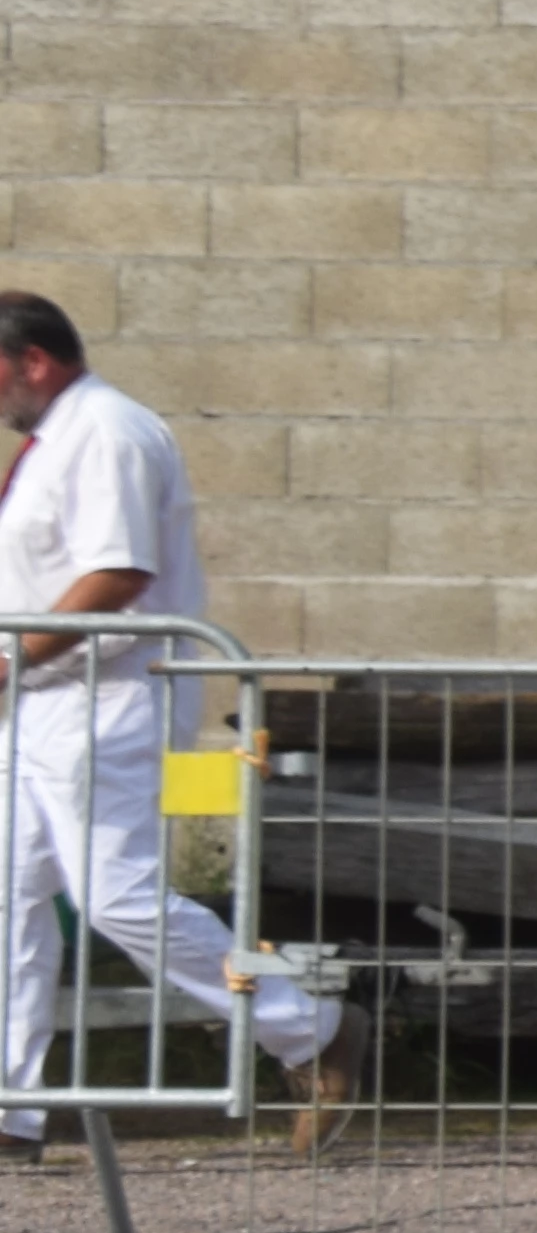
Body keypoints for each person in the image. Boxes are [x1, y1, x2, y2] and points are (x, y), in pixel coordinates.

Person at [0, 298, 352, 1159]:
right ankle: (10, 1108)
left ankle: (311, 1027)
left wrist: (12, 657)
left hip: (104, 696)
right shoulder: (56, 445)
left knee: (117, 897)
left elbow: (117, 572)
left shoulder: (109, 432)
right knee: (7, 899)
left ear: (33, 361)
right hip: (41, 699)